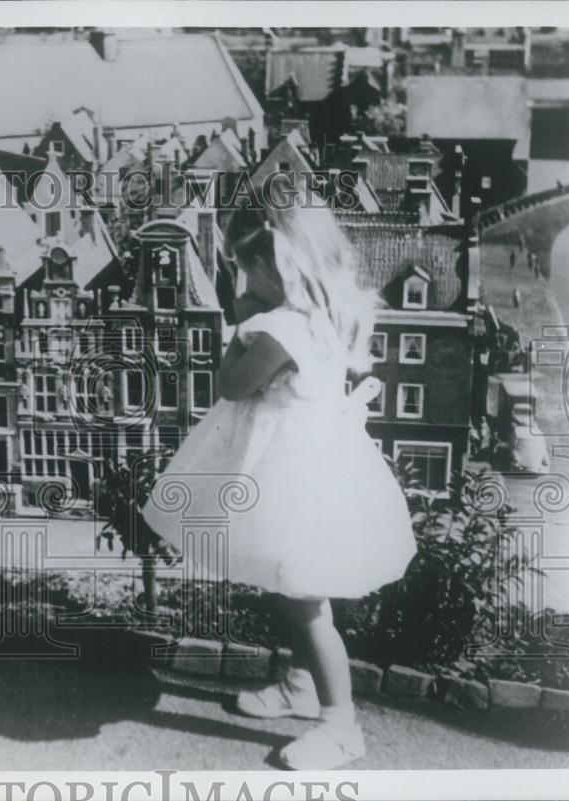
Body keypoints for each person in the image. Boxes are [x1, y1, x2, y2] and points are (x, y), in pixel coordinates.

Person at [141, 184, 416, 770]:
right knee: (295, 590)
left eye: (246, 270)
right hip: (314, 465)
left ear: (274, 265)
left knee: (307, 602)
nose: (244, 283)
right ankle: (300, 683)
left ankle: (342, 726)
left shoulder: (278, 329)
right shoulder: (325, 315)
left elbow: (233, 387)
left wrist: (236, 328)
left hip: (293, 476)